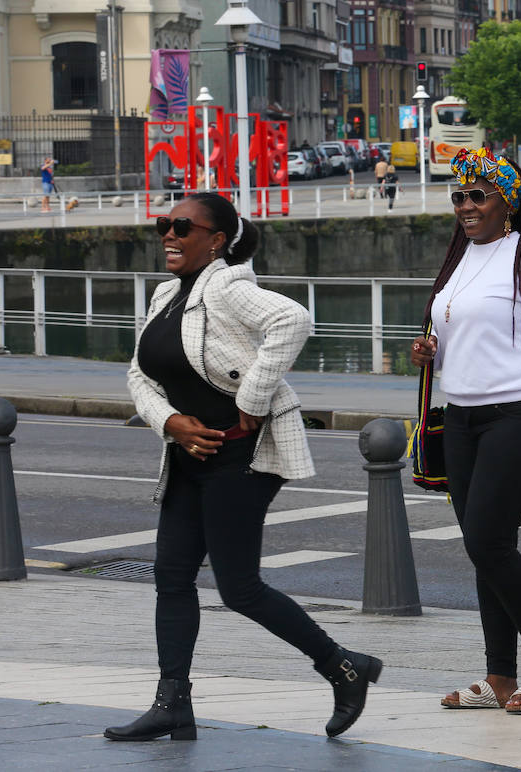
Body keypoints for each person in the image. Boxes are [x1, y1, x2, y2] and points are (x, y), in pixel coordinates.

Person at [113, 192, 381, 744]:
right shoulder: (166, 293)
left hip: (242, 455)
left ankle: (344, 666)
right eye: (165, 224)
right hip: (189, 454)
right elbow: (139, 374)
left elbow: (293, 320)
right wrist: (171, 423)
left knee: (239, 588)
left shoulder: (228, 285)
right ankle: (172, 705)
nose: (169, 234)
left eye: (183, 227)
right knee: (170, 576)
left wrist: (253, 399)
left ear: (215, 240)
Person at [409, 147, 521, 713]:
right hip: (461, 417)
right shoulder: (462, 257)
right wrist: (433, 352)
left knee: (487, 541)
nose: (465, 206)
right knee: (484, 549)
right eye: (458, 197)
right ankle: (499, 676)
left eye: (478, 196)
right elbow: (471, 329)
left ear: (507, 203)